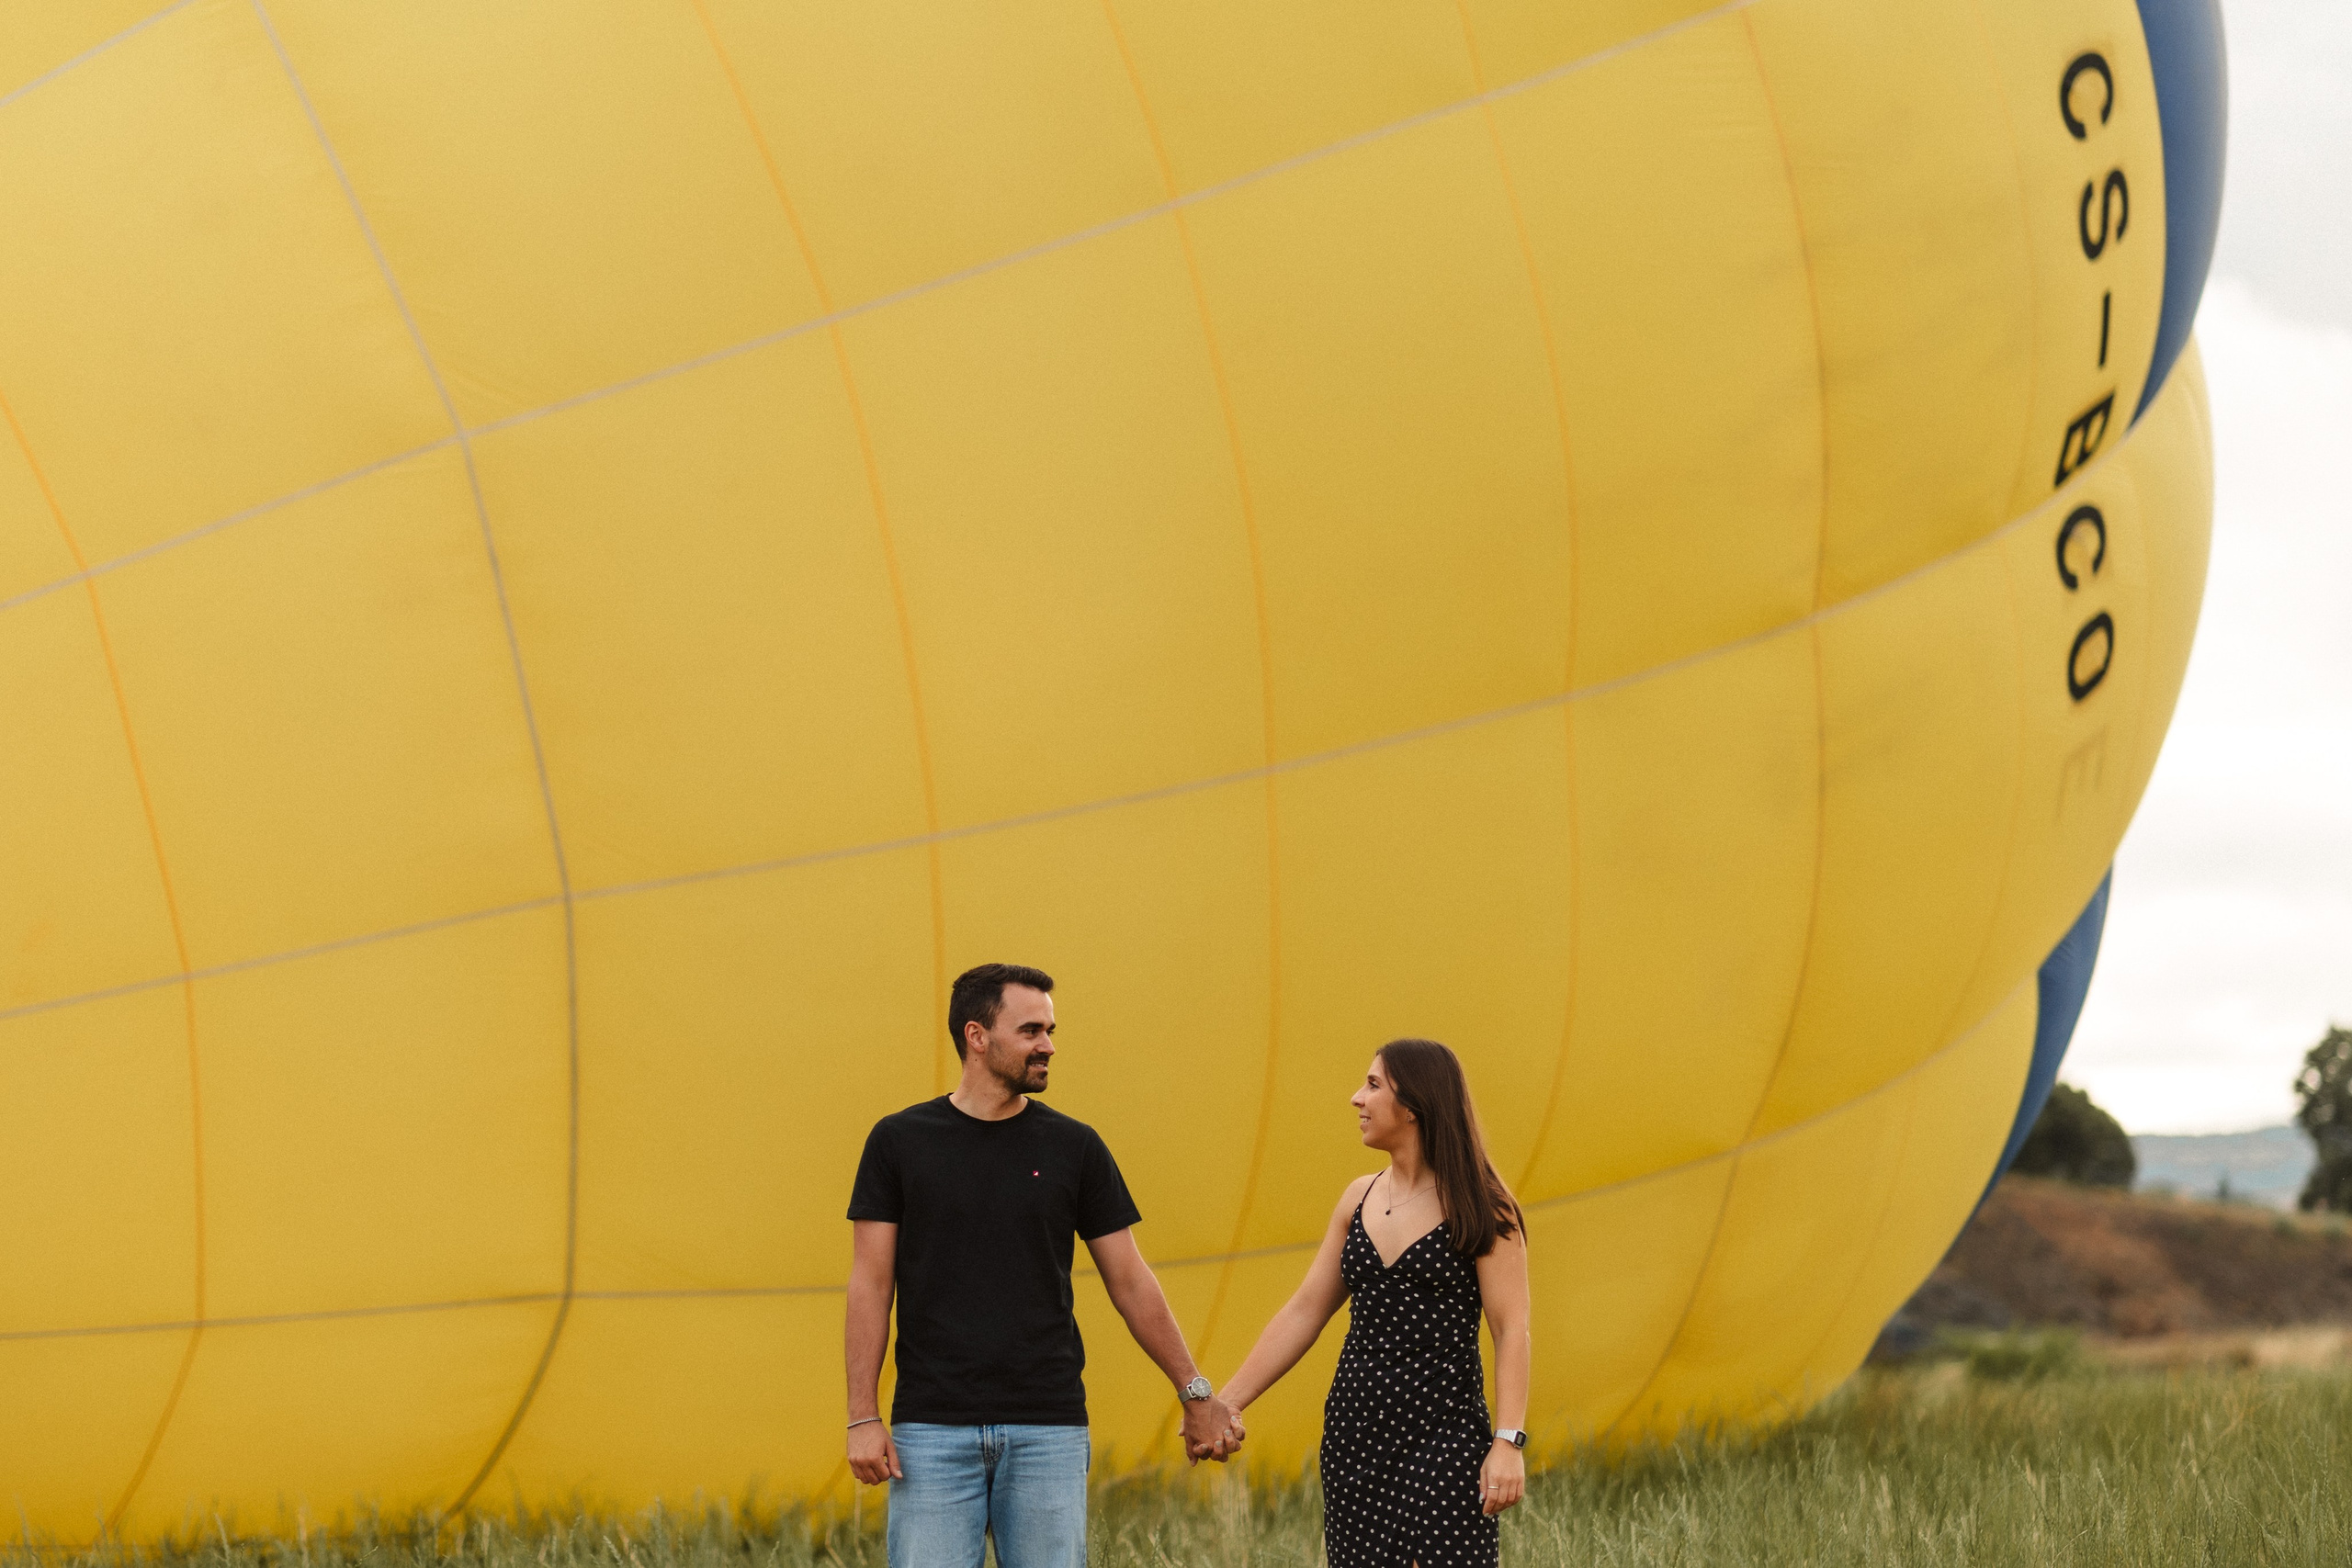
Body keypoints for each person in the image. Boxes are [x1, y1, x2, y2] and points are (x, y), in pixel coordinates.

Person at [844, 962, 1241, 1568]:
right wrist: (862, 1415)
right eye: (1031, 1030)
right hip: (931, 1429)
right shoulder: (898, 1141)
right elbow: (870, 1286)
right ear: (978, 1036)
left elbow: (1131, 1281)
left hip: (1048, 1430)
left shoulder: (1074, 1146)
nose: (1048, 1045)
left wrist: (1194, 1390)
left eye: (1050, 1030)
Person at [1215, 1038, 1532, 1568]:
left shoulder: (1483, 1205)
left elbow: (1512, 1328)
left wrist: (1508, 1442)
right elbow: (1305, 1310)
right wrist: (1228, 1403)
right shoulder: (1358, 1197)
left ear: (1412, 1106)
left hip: (1444, 1436)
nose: (1356, 1099)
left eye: (1373, 1085)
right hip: (1355, 1434)